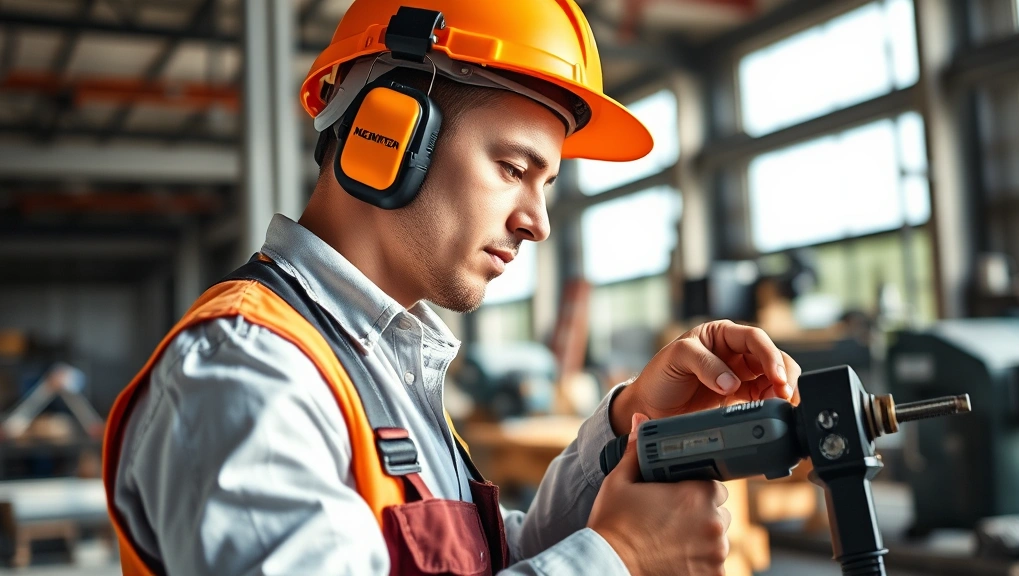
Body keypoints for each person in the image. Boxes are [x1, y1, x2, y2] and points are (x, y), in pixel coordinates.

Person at [102, 1, 802, 575]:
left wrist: (624, 432)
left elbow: (479, 558)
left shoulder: (379, 364)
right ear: (389, 131)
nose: (538, 224)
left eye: (546, 184)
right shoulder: (249, 371)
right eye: (511, 167)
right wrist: (614, 560)